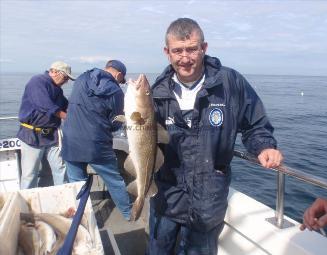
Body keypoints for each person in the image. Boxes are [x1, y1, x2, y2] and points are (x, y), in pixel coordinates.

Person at [148, 18, 284, 254]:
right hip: (166, 198)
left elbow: (255, 124)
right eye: (177, 50)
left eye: (191, 49)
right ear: (167, 52)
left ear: (204, 48)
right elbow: (144, 139)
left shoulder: (230, 83)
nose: (185, 58)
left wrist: (264, 146)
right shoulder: (156, 93)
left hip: (207, 202)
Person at [61, 60, 131, 221]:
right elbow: (116, 122)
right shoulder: (116, 91)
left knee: (77, 184)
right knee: (114, 180)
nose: (120, 83)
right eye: (121, 80)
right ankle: (128, 214)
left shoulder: (81, 79)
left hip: (71, 141)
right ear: (119, 75)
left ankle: (82, 219)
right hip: (97, 144)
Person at [18, 61, 74, 189]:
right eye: (65, 77)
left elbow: (66, 106)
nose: (66, 81)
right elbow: (44, 105)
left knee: (60, 168)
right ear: (54, 72)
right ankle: (26, 204)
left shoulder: (57, 89)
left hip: (52, 136)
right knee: (30, 174)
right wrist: (66, 116)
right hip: (32, 136)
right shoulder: (37, 81)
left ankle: (64, 199)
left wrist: (79, 112)